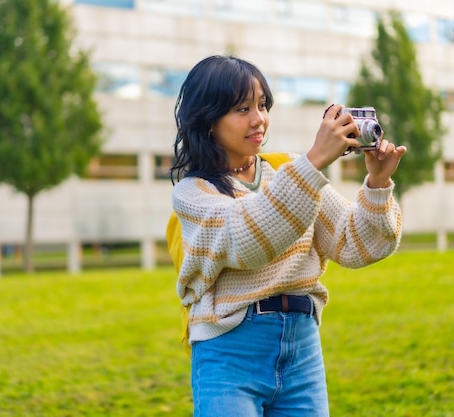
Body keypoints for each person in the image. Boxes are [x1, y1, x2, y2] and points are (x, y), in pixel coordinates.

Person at [169, 55, 407, 417]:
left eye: (262, 105)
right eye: (241, 108)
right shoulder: (193, 193)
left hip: (302, 347)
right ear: (208, 121)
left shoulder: (286, 170)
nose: (258, 119)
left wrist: (377, 183)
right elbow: (249, 239)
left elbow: (358, 245)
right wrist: (313, 162)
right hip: (230, 351)